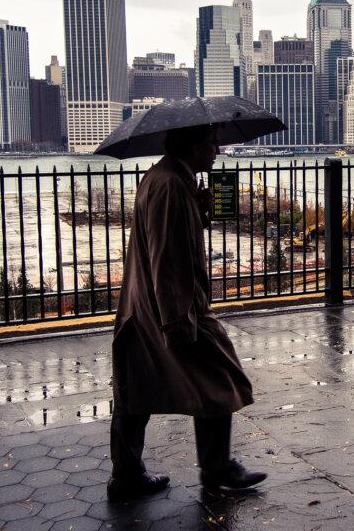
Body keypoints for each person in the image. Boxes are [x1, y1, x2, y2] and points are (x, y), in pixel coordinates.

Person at [108, 123, 266, 501]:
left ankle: (127, 475)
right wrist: (177, 320)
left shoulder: (170, 178)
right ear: (193, 146)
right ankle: (217, 467)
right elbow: (166, 256)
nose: (217, 150)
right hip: (171, 308)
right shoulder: (169, 185)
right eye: (211, 143)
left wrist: (198, 208)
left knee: (135, 388)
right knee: (220, 376)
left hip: (145, 307)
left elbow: (172, 238)